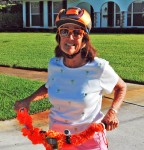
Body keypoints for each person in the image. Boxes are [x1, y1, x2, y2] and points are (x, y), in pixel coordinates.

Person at [14, 7, 127, 150]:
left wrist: (112, 113)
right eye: (64, 31)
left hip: (90, 139)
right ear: (59, 36)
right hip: (56, 139)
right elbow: (50, 86)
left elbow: (121, 87)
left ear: (85, 40)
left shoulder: (98, 67)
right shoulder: (54, 64)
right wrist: (28, 100)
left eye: (77, 32)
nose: (70, 37)